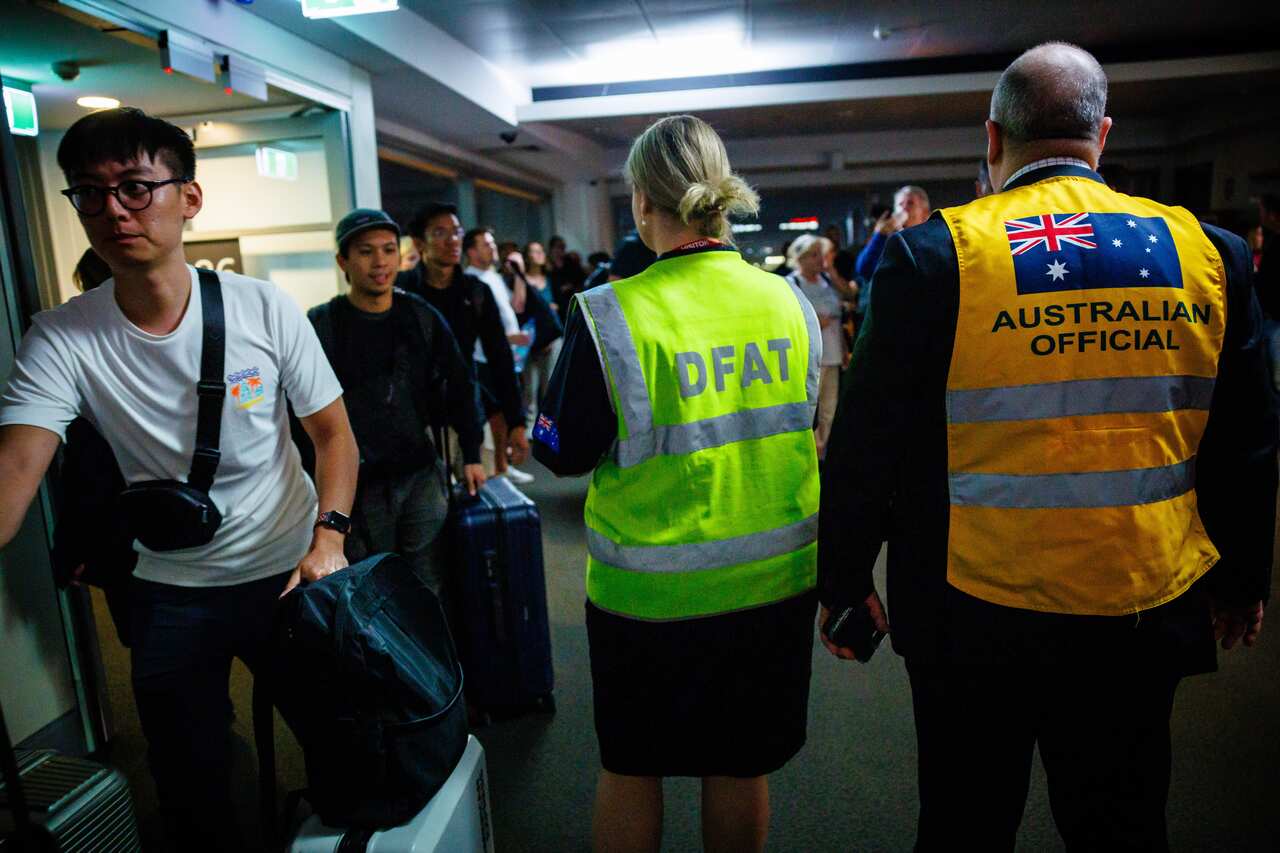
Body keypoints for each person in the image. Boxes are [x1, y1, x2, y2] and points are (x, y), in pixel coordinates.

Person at [818, 43, 1277, 850]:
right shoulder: (1210, 254)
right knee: (1123, 828)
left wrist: (846, 580)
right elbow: (1246, 442)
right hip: (1139, 602)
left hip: (970, 612)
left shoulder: (935, 256)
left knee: (965, 825)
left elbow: (866, 443)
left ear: (991, 140)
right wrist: (1241, 581)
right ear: (1102, 134)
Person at [0, 107, 359, 851]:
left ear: (188, 199)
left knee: (347, 747)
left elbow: (334, 438)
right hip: (169, 588)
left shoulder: (264, 308)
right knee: (191, 784)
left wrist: (329, 540)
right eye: (89, 194)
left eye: (136, 187)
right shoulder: (61, 337)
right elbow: (14, 469)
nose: (113, 210)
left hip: (289, 571)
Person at [533, 114, 821, 853]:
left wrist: (544, 426)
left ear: (639, 201)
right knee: (740, 763)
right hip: (770, 585)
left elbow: (562, 451)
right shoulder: (789, 301)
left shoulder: (611, 312)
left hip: (650, 594)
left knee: (634, 766)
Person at [310, 209, 485, 600]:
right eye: (366, 252)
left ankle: (429, 662)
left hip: (419, 474)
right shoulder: (322, 325)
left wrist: (472, 452)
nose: (380, 262)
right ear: (344, 261)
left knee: (428, 586)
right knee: (370, 591)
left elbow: (460, 384)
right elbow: (300, 415)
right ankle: (383, 663)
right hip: (355, 487)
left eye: (389, 250)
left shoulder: (421, 317)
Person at [397, 204, 529, 481]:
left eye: (456, 231)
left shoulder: (475, 292)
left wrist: (517, 421)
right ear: (420, 243)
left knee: (480, 503)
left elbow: (500, 358)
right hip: (417, 419)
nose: (453, 240)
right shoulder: (404, 290)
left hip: (467, 408)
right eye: (440, 233)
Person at [463, 226, 534, 483]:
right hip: (484, 358)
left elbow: (515, 307)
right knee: (496, 414)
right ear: (471, 251)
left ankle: (503, 464)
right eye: (485, 245)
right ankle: (500, 467)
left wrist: (519, 275)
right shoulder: (472, 282)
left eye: (492, 244)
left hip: (506, 355)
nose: (492, 248)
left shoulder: (492, 276)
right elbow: (481, 329)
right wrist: (508, 339)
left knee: (505, 411)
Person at [785, 234, 844, 458]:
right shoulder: (792, 283)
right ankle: (810, 453)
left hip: (833, 354)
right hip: (810, 358)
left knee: (829, 408)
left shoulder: (826, 281)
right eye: (813, 255)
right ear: (800, 258)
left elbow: (847, 299)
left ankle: (823, 452)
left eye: (821, 254)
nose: (820, 260)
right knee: (811, 408)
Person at [854, 184, 931, 283]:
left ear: (925, 213)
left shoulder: (931, 241)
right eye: (900, 204)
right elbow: (864, 270)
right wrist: (880, 235)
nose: (904, 208)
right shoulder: (888, 241)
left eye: (910, 203)